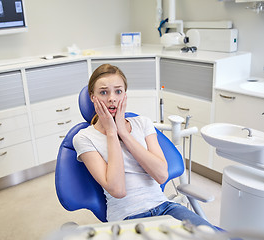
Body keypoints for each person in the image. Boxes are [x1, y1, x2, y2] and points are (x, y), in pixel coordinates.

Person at [73, 64, 216, 229]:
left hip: (166, 208)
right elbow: (118, 190)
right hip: (127, 217)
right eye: (103, 92)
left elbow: (161, 175)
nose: (112, 98)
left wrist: (125, 134)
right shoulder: (83, 138)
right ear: (92, 97)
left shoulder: (142, 123)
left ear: (125, 95)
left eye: (118, 91)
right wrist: (112, 133)